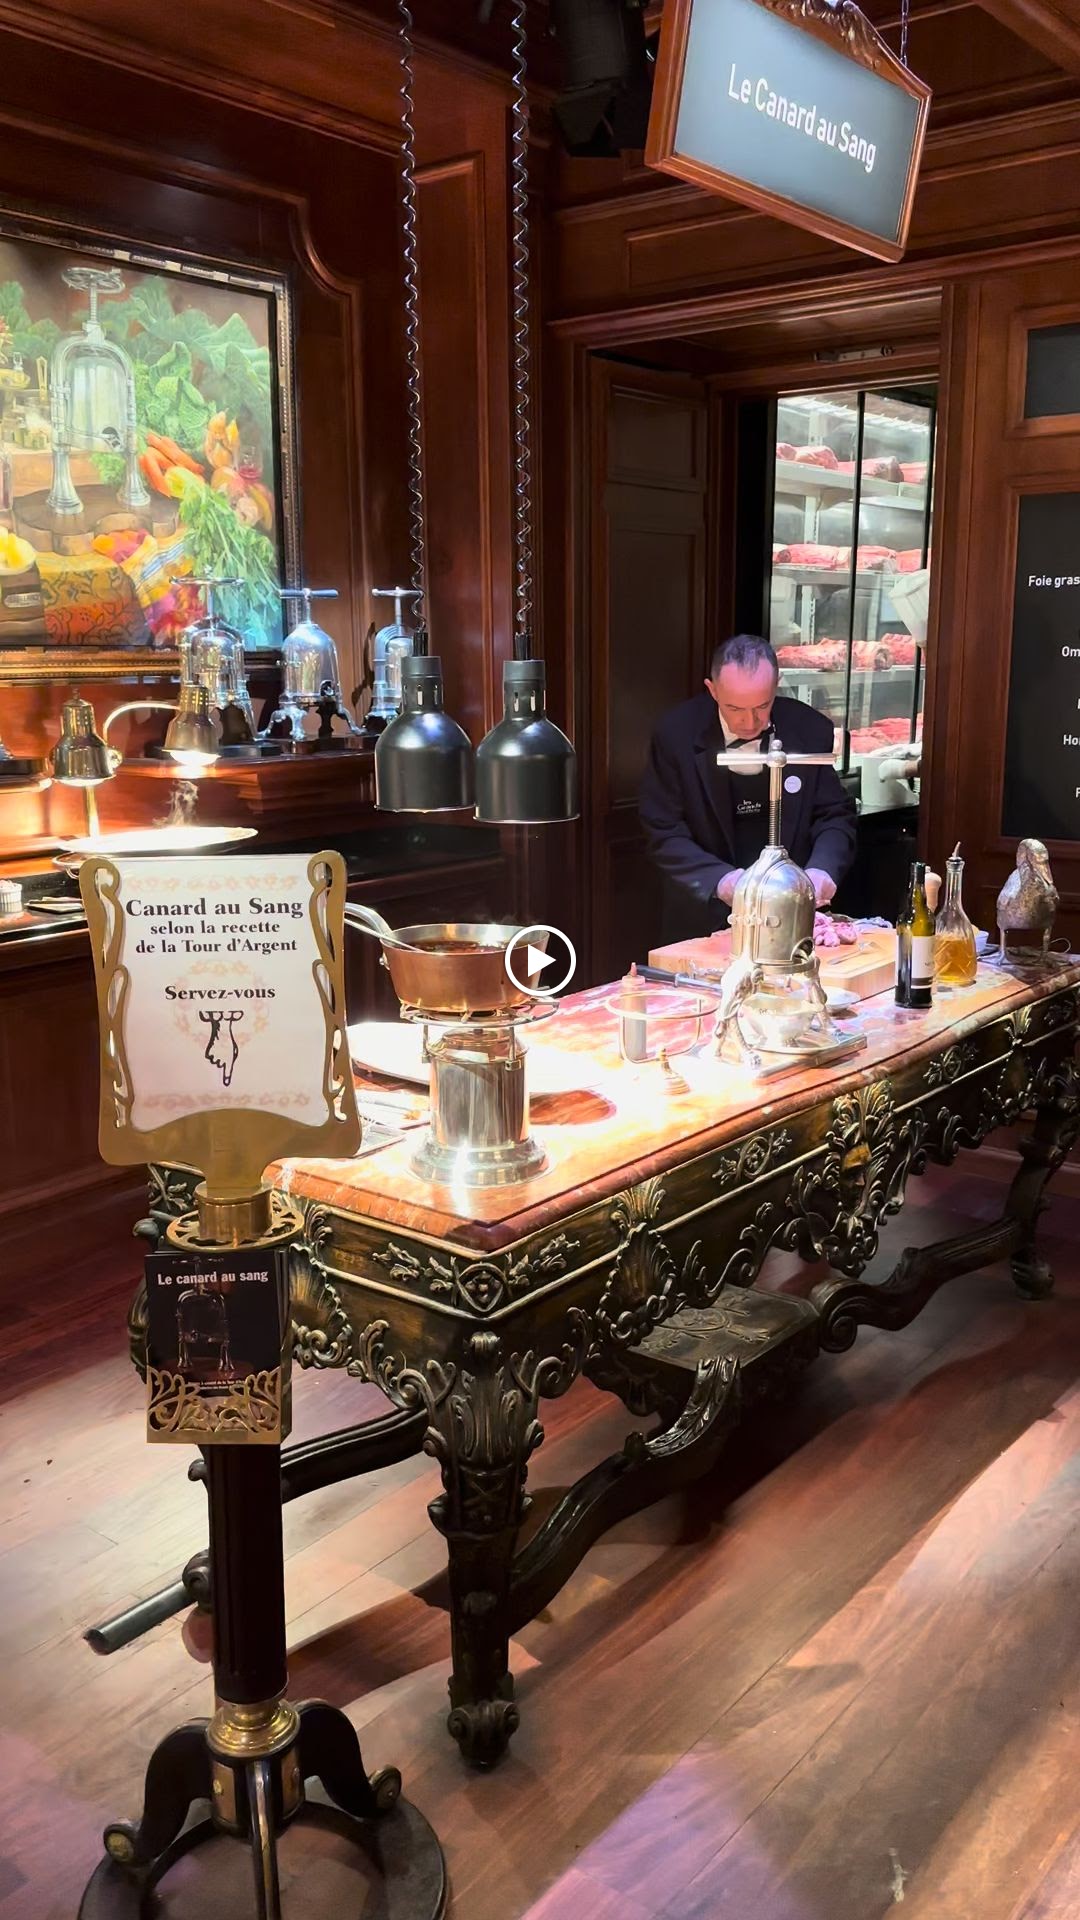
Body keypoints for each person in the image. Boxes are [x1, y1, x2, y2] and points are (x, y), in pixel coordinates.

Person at [639, 634, 857, 939]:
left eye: (762, 706)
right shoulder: (676, 734)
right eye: (735, 708)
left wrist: (822, 869)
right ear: (712, 690)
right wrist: (721, 880)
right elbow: (664, 831)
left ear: (777, 685)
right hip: (703, 915)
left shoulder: (809, 728)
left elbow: (834, 815)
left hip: (790, 913)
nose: (749, 722)